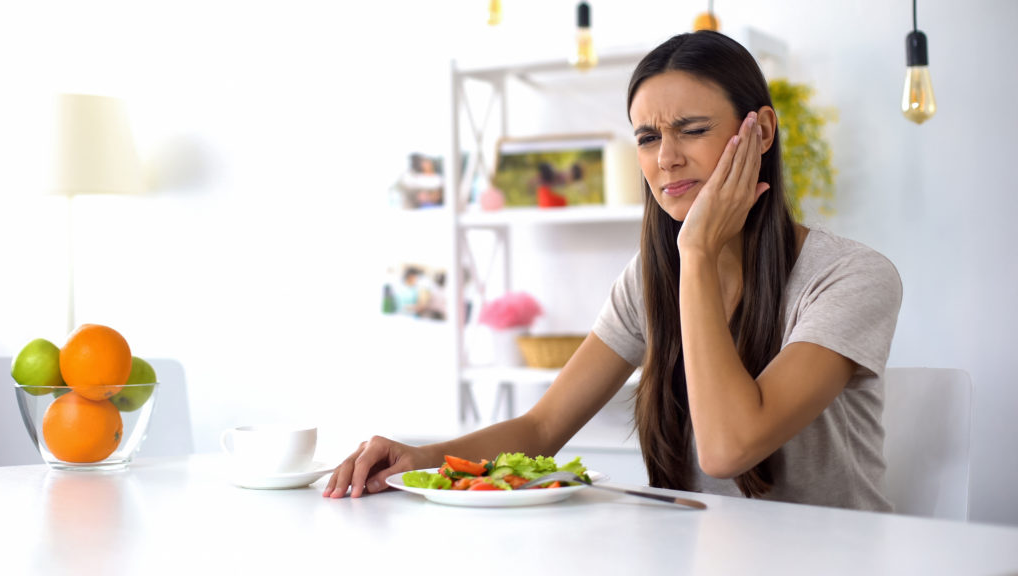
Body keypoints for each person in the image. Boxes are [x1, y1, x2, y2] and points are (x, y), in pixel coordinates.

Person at [324, 30, 902, 511]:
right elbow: (542, 429)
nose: (666, 157)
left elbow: (729, 450)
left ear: (762, 131)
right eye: (648, 138)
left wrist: (696, 253)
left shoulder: (851, 276)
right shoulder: (647, 280)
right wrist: (418, 458)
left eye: (692, 129)